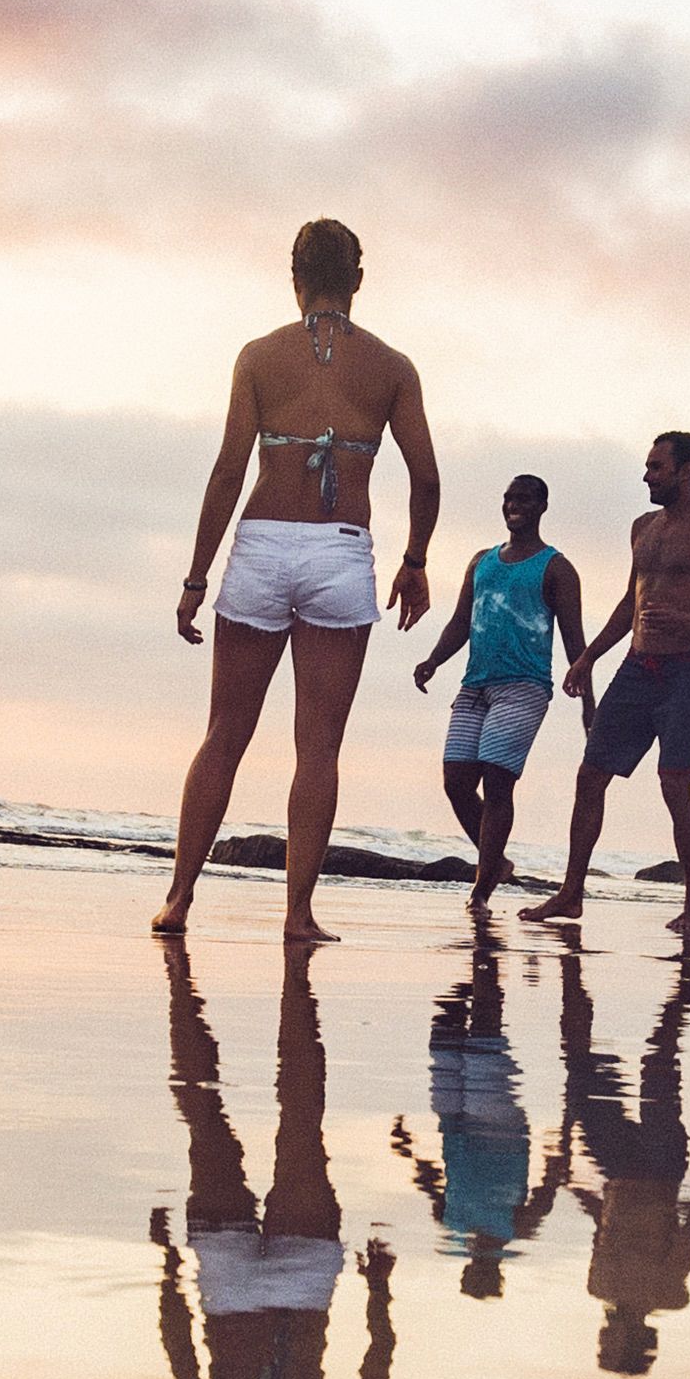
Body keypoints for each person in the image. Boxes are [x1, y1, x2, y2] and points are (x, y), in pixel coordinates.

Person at [160, 218, 440, 942]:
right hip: (340, 552)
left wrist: (196, 577)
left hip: (259, 545)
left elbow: (228, 471)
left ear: (294, 277)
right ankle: (296, 914)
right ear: (359, 280)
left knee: (225, 733)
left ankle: (179, 900)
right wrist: (415, 561)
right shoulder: (392, 367)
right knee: (318, 748)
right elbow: (426, 477)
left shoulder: (258, 357)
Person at [150, 939, 398, 1379]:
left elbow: (376, 1368)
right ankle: (194, 982)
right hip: (231, 1287)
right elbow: (178, 1353)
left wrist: (381, 1290)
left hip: (302, 1286)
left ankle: (292, 979)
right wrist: (168, 1270)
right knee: (205, 1116)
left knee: (302, 1119)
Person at [534, 428, 690, 920]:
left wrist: (688, 621)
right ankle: (571, 894)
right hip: (635, 668)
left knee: (674, 786)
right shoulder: (642, 527)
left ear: (685, 471)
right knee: (590, 777)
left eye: (656, 467)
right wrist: (587, 658)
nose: (646, 475)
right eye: (647, 466)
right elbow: (631, 602)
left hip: (685, 673)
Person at [410, 471, 586, 904]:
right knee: (455, 781)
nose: (514, 506)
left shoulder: (557, 568)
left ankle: (481, 889)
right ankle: (497, 862)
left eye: (524, 499)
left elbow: (575, 641)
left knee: (497, 783)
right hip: (475, 685)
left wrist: (589, 702)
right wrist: (433, 660)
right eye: (508, 498)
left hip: (524, 686)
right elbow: (461, 622)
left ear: (542, 506)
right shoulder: (481, 561)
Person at [557, 926, 690, 1377]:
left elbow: (610, 1232)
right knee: (645, 1065)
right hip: (646, 1167)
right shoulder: (664, 1294)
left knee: (615, 1070)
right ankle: (680, 981)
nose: (601, 1339)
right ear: (630, 1344)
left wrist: (582, 1194)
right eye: (607, 1348)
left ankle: (580, 975)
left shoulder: (602, 1285)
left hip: (635, 1170)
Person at [396, 955, 567, 1295]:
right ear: (494, 1273)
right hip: (497, 1132)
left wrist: (409, 1151)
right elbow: (547, 1190)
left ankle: (479, 978)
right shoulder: (515, 1229)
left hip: (454, 1129)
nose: (476, 1262)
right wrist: (563, 1143)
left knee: (443, 1038)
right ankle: (486, 959)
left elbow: (433, 1184)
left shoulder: (453, 1228)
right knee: (483, 1045)